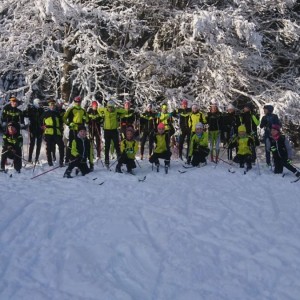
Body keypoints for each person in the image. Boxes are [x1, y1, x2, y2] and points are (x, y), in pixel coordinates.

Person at [97, 100, 126, 167]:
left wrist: (120, 116)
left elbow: (125, 111)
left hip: (114, 131)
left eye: (111, 107)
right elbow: (98, 110)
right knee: (107, 146)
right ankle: (107, 161)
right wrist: (102, 115)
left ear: (113, 107)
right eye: (109, 107)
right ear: (107, 106)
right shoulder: (104, 110)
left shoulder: (116, 111)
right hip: (107, 131)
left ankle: (120, 160)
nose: (110, 108)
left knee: (117, 146)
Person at [63, 96, 89, 163]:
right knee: (71, 143)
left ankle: (79, 157)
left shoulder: (83, 110)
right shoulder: (71, 109)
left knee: (80, 143)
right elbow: (64, 118)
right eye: (76, 101)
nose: (78, 103)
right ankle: (67, 159)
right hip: (73, 128)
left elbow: (87, 120)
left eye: (79, 101)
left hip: (81, 129)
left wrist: (85, 118)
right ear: (74, 102)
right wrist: (69, 124)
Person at [41, 99, 65, 167]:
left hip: (57, 132)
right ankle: (49, 161)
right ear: (49, 105)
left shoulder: (57, 113)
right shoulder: (45, 113)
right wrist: (42, 127)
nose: (52, 106)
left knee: (61, 146)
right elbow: (40, 121)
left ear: (55, 105)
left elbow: (61, 122)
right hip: (48, 132)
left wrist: (61, 129)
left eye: (53, 104)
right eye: (51, 104)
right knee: (49, 147)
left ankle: (61, 161)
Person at [23, 98, 44, 163]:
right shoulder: (31, 109)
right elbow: (25, 115)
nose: (40, 104)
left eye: (40, 103)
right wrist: (26, 110)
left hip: (40, 129)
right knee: (32, 144)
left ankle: (36, 158)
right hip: (32, 129)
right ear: (35, 103)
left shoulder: (42, 110)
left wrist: (44, 126)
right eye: (38, 103)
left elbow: (44, 118)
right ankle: (29, 158)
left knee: (39, 144)